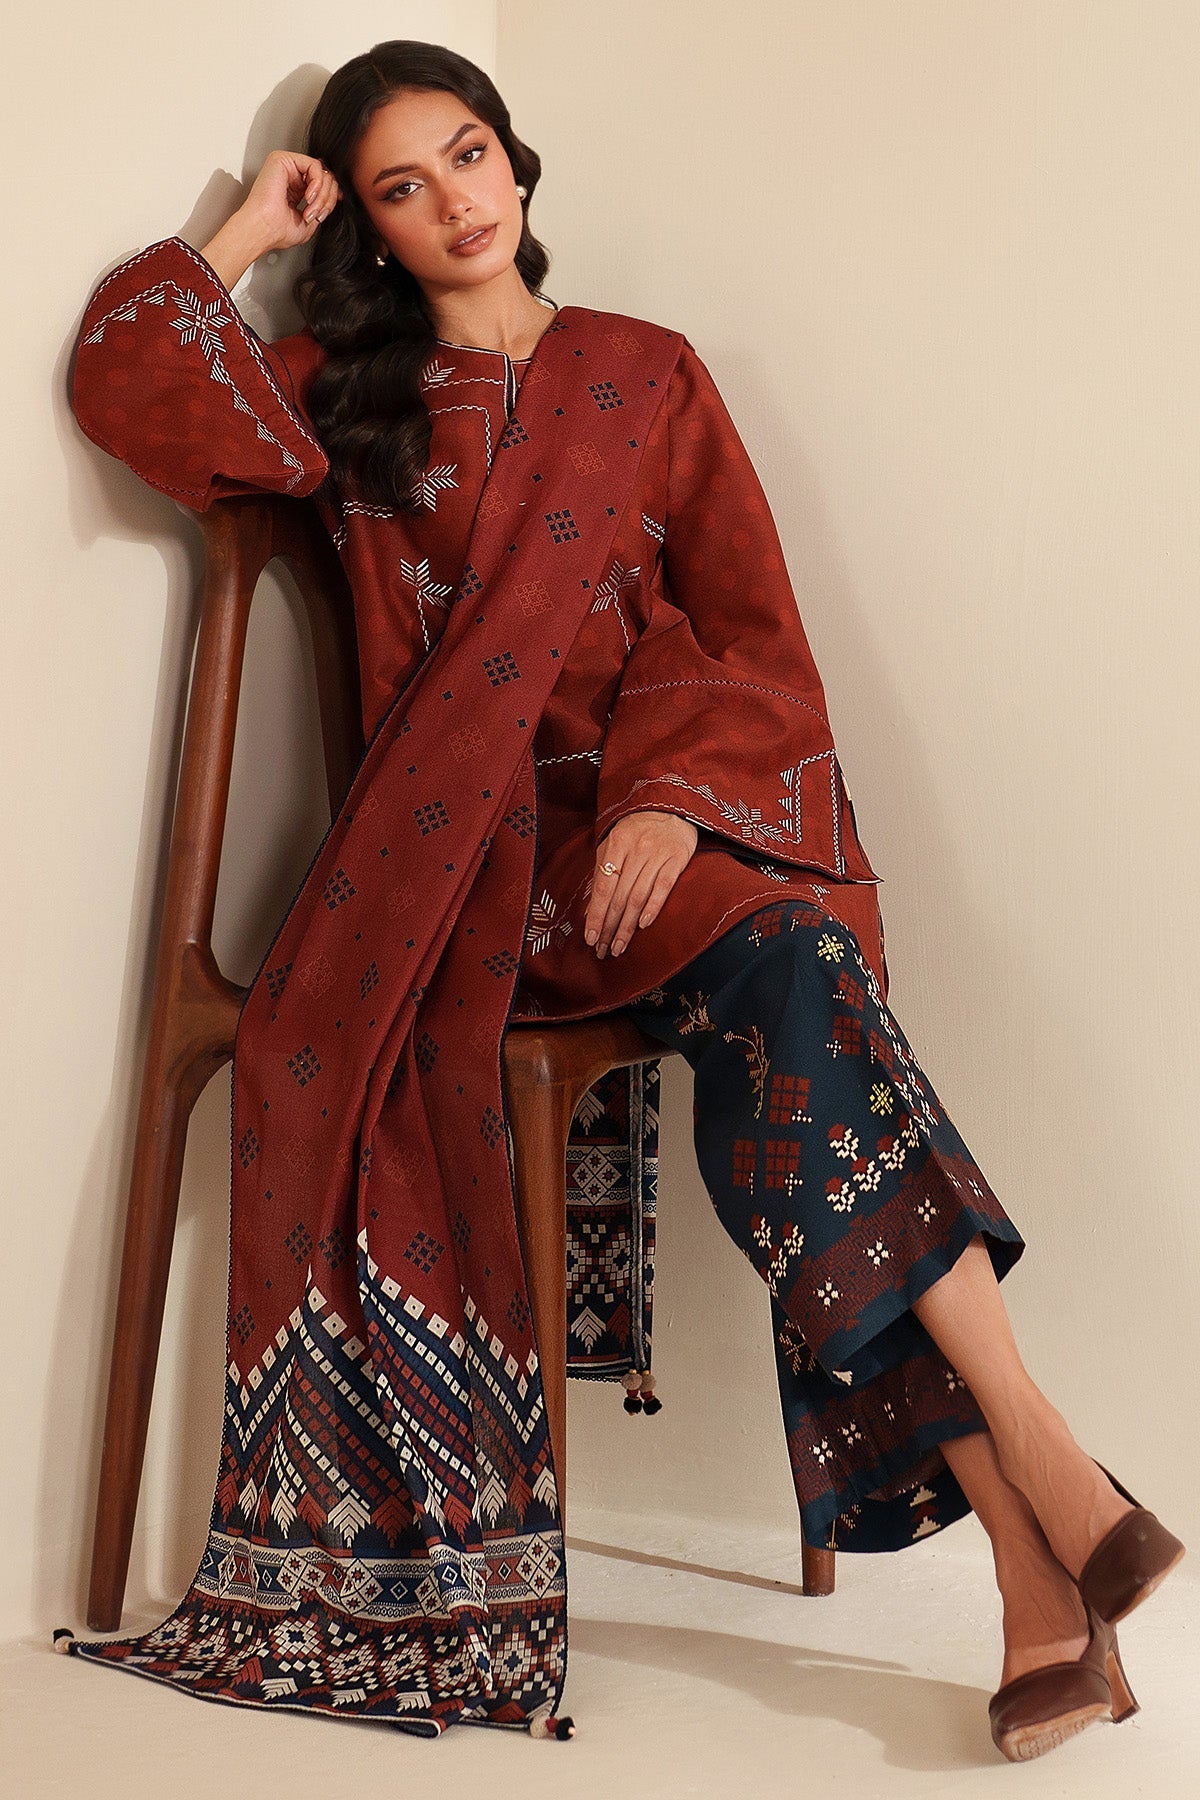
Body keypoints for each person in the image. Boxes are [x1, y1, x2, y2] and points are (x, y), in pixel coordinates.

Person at [59, 38, 1184, 1760]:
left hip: (653, 841)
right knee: (802, 1015)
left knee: (791, 995)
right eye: (399, 187)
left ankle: (1042, 1558)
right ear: (367, 227)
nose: (454, 201)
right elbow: (131, 383)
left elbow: (747, 633)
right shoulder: (343, 400)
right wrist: (247, 234)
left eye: (467, 153)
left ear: (516, 158)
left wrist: (668, 798)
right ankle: (1047, 1479)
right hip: (457, 880)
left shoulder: (645, 375)